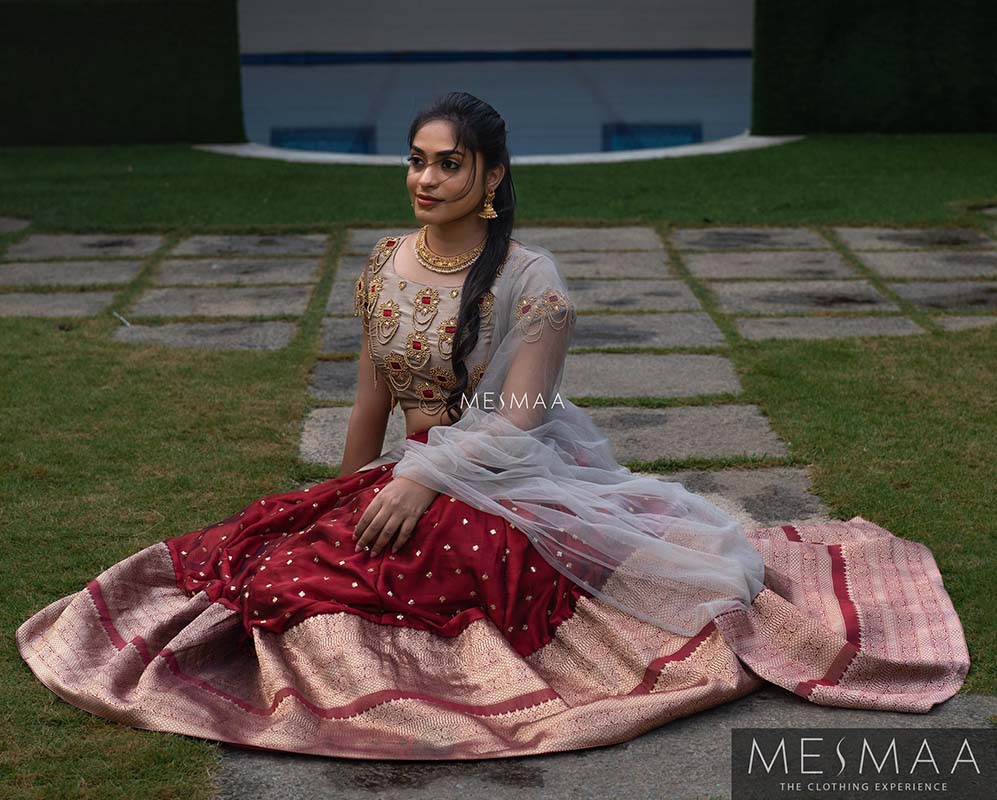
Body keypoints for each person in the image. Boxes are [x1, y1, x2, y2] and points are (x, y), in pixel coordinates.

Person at [16, 92, 969, 761]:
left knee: (394, 573)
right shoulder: (388, 260)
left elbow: (518, 426)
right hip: (414, 466)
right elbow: (370, 398)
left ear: (492, 176)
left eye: (448, 164)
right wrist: (333, 495)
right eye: (416, 160)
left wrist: (424, 479)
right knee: (279, 549)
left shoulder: (530, 280)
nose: (425, 178)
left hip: (505, 479)